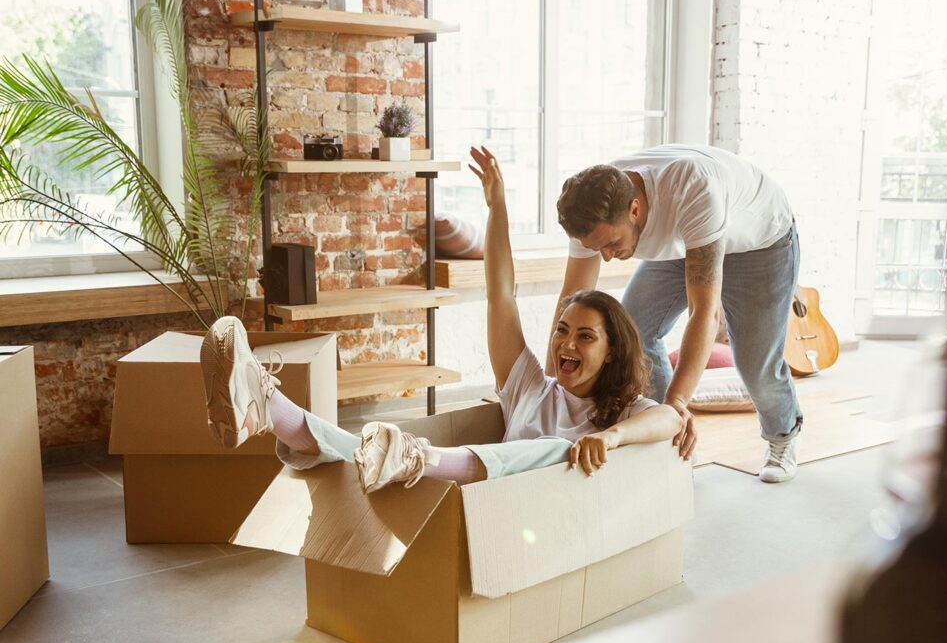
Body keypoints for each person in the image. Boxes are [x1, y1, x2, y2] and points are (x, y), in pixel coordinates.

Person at [199, 146, 682, 491]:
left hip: (539, 529)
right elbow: (502, 296)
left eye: (584, 336)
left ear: (612, 350)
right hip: (474, 508)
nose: (566, 344)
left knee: (557, 450)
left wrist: (610, 436)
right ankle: (266, 405)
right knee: (364, 450)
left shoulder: (621, 411)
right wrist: (497, 208)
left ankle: (405, 456)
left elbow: (667, 421)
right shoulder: (531, 387)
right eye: (561, 330)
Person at [555, 144, 802, 483]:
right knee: (634, 332)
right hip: (688, 240)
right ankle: (665, 439)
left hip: (760, 244)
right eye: (597, 249)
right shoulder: (591, 204)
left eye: (611, 244)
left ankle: (782, 437)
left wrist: (677, 402)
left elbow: (705, 312)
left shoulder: (692, 187)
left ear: (635, 209)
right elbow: (571, 302)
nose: (607, 257)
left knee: (754, 361)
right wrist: (553, 386)